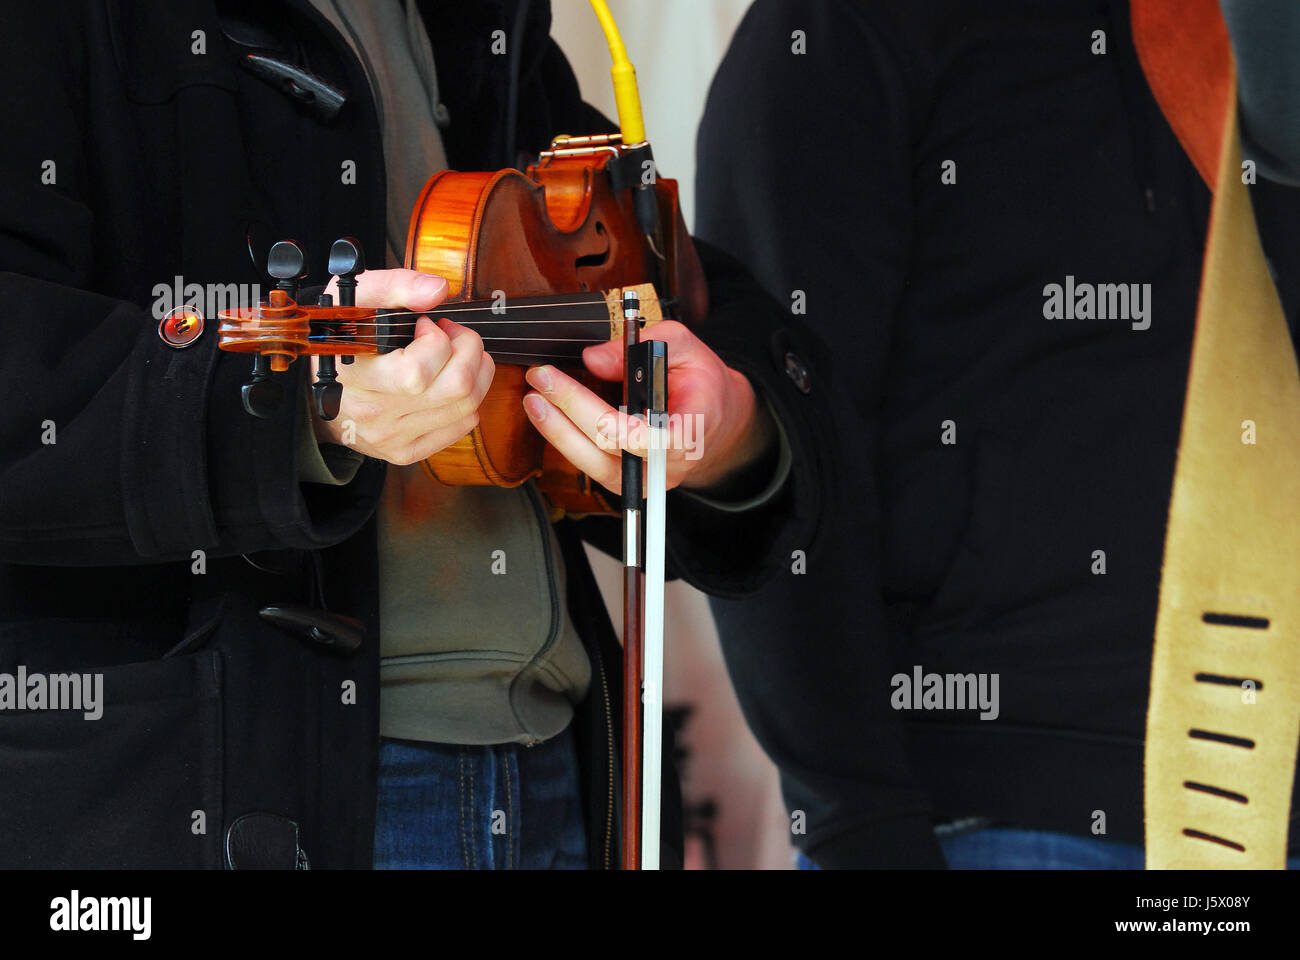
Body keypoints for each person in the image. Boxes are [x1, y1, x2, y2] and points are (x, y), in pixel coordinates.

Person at [0, 0, 826, 869]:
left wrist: (732, 432)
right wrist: (296, 413)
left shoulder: (474, 19)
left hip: (562, 766)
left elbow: (667, 289)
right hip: (237, 796)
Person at [697, 0, 1300, 868]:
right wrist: (856, 828)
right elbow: (781, 454)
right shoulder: (837, 30)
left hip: (1266, 789)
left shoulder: (1246, 35)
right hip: (994, 814)